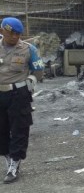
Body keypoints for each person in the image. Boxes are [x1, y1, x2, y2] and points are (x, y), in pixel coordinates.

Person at [0, 17, 44, 183]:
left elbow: (38, 70)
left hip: (19, 94)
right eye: (12, 33)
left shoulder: (29, 49)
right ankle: (9, 157)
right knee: (1, 129)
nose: (15, 37)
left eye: (18, 34)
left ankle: (14, 164)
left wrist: (31, 80)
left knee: (19, 128)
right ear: (2, 30)